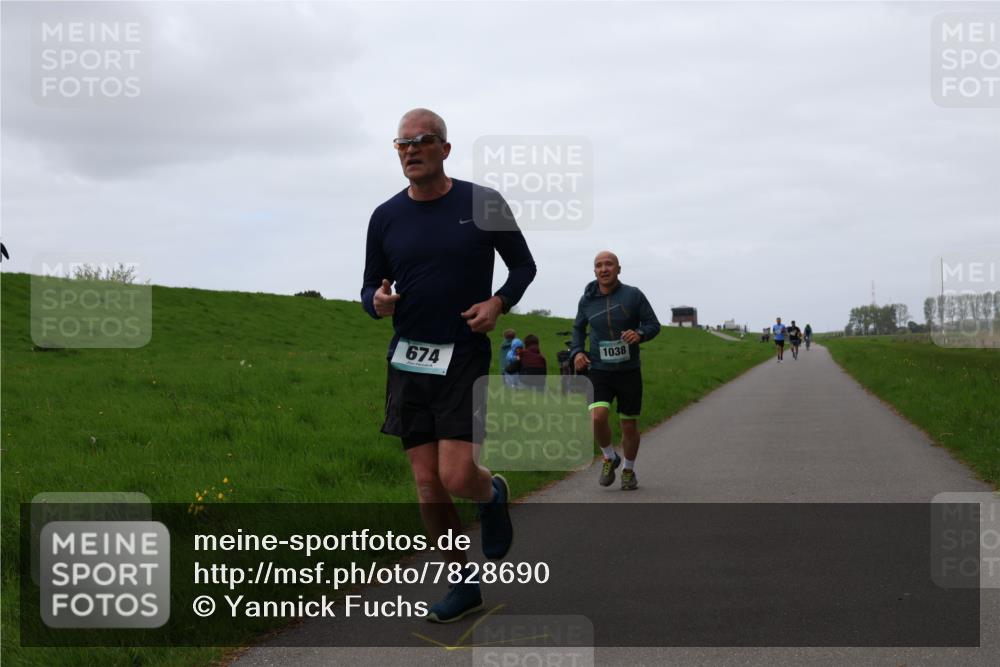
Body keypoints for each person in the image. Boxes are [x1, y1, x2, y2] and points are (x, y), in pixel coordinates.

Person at [361, 108, 537, 623]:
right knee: (426, 483)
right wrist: (377, 300)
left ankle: (492, 491)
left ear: (445, 148)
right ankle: (462, 583)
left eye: (422, 140)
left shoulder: (482, 203)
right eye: (402, 143)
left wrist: (498, 302)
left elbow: (523, 265)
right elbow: (369, 287)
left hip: (464, 354)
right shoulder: (385, 216)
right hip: (409, 360)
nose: (411, 149)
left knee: (458, 475)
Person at [570, 251, 660, 490]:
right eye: (598, 265)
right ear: (594, 272)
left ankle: (628, 471)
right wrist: (577, 352)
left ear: (618, 269)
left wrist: (639, 334)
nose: (603, 269)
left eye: (608, 264)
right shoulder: (587, 300)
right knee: (597, 417)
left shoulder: (633, 295)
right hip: (599, 369)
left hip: (629, 370)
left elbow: (653, 325)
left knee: (628, 425)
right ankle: (609, 456)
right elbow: (578, 328)